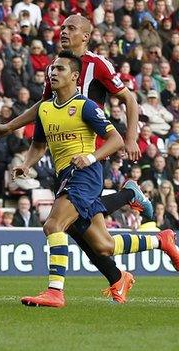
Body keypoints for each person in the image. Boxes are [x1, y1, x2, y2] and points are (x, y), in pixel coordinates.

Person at [0, 14, 155, 303]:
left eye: (71, 28)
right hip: (65, 158)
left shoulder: (96, 65)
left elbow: (129, 99)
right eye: (62, 28)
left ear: (86, 36)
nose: (64, 32)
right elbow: (44, 106)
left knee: (57, 224)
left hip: (91, 152)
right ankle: (139, 236)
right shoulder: (57, 69)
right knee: (97, 240)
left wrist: (131, 138)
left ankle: (57, 291)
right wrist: (10, 127)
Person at [14, 51, 179, 308]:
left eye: (60, 69)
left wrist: (90, 158)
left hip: (85, 175)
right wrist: (26, 164)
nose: (53, 73)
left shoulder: (85, 106)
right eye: (52, 69)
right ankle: (161, 240)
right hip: (65, 176)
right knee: (104, 246)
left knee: (53, 225)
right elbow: (38, 145)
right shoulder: (45, 109)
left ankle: (55, 291)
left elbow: (116, 140)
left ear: (75, 76)